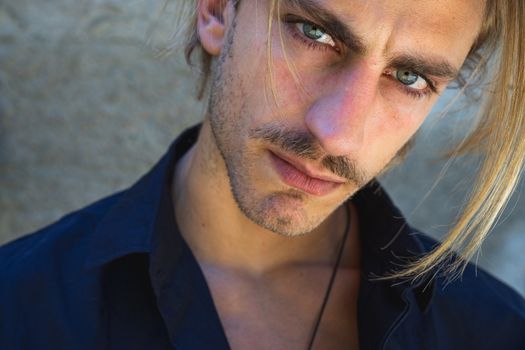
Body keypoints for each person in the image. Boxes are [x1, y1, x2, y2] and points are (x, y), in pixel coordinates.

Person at [1, 0, 525, 348]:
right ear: (218, 11)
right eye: (314, 33)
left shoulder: (493, 331)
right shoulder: (21, 307)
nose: (337, 134)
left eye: (409, 78)